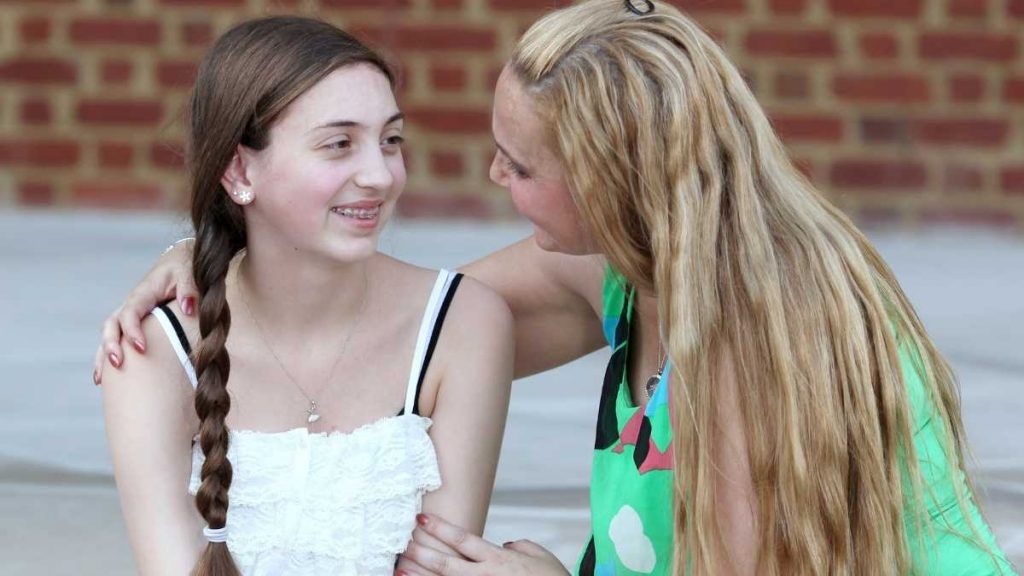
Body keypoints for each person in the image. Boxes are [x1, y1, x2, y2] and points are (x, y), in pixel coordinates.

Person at [96, 1, 1017, 575]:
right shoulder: (629, 273)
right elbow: (394, 325)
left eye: (521, 164)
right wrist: (212, 255)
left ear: (613, 181)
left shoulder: (753, 343)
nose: (494, 178)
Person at [99, 16, 513, 576]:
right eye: (339, 144)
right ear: (240, 169)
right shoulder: (153, 349)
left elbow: (445, 562)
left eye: (390, 140)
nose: (380, 175)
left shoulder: (464, 323)